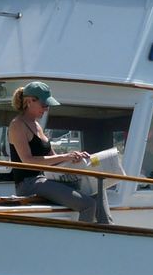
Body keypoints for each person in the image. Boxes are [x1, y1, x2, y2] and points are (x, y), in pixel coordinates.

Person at [7, 81, 112, 223]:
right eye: (44, 105)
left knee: (96, 186)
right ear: (29, 101)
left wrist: (75, 157)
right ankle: (83, 236)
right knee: (88, 205)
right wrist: (65, 156)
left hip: (46, 179)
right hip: (28, 184)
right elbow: (27, 160)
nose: (46, 109)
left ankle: (107, 229)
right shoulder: (17, 125)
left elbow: (53, 158)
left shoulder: (37, 125)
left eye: (48, 106)